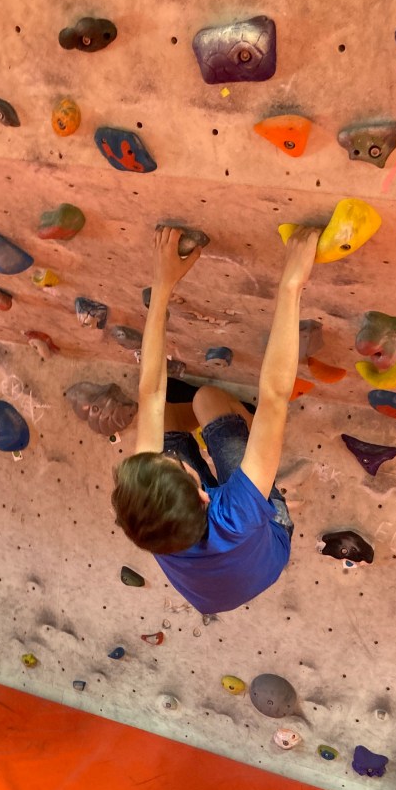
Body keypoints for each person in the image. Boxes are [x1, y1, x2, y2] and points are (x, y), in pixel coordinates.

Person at [111, 224, 320, 613]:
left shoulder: (151, 522)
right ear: (205, 494)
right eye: (181, 468)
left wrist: (162, 285)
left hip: (210, 590)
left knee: (159, 415)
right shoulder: (237, 512)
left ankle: (237, 443)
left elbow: (150, 393)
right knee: (206, 399)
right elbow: (275, 398)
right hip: (268, 551)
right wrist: (292, 283)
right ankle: (246, 430)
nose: (166, 457)